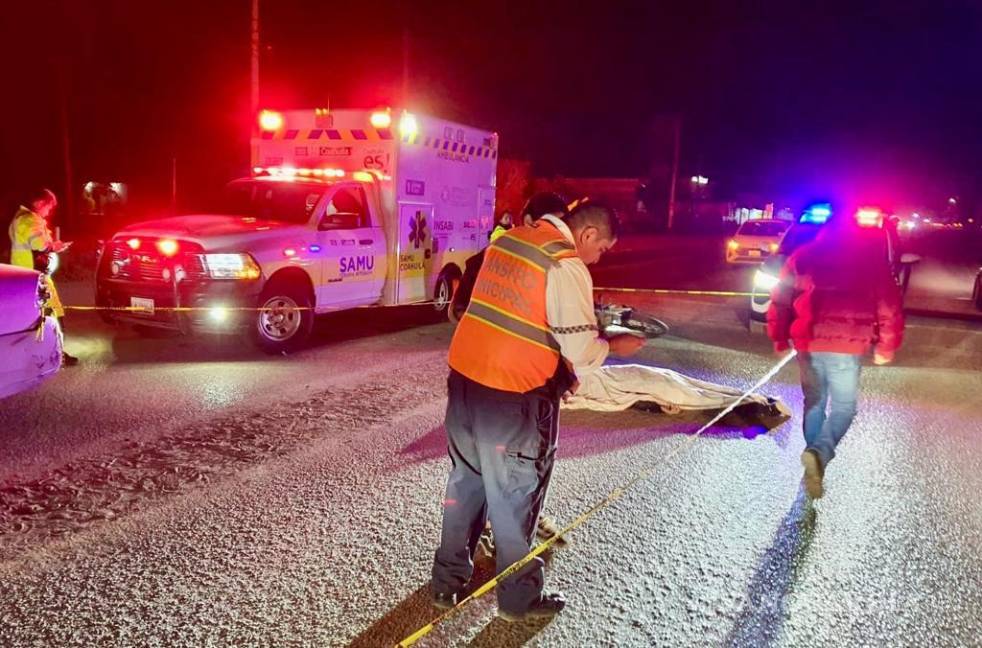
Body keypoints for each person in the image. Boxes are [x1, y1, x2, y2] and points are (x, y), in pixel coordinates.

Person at [431, 200, 644, 622]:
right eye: (601, 249)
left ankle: (446, 584)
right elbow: (580, 351)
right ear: (586, 235)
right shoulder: (564, 265)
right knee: (514, 500)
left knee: (467, 486)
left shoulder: (509, 242)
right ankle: (517, 601)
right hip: (514, 395)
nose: (598, 258)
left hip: (465, 381)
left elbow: (517, 313)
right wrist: (614, 345)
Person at [767, 207, 904, 499]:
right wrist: (886, 346)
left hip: (809, 343)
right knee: (844, 408)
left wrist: (779, 337)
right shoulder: (871, 261)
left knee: (814, 402)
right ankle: (818, 455)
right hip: (848, 346)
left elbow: (780, 298)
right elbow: (890, 307)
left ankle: (813, 460)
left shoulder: (803, 256)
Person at [8, 189, 77, 366]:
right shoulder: (29, 220)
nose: (49, 211)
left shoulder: (20, 218)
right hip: (35, 278)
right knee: (51, 314)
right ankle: (54, 355)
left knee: (38, 316)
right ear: (39, 203)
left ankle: (46, 353)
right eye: (49, 206)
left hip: (28, 276)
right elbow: (39, 244)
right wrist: (55, 246)